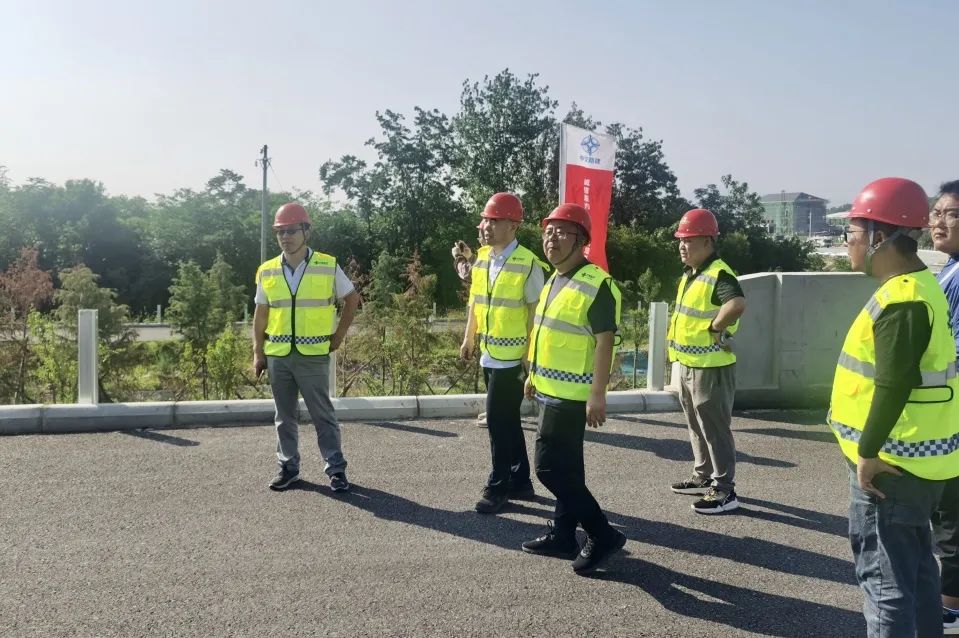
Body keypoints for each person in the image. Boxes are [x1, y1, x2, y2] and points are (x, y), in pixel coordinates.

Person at [829, 177, 959, 636]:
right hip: (916, 461)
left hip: (891, 464)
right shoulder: (920, 285)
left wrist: (867, 452)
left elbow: (892, 383)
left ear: (879, 237)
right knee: (917, 572)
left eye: (852, 232)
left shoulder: (904, 299)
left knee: (884, 583)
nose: (848, 242)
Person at [520, 203, 626, 576]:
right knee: (569, 469)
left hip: (572, 397)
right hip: (549, 388)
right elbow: (546, 332)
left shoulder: (597, 284)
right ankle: (564, 535)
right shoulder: (555, 279)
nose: (552, 239)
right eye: (548, 231)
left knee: (548, 469)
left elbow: (605, 341)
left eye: (562, 232)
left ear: (582, 240)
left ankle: (602, 533)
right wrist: (533, 374)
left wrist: (598, 394)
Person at [252, 202, 361, 493]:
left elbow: (352, 298)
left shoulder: (326, 265)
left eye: (291, 231)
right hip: (278, 356)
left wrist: (339, 336)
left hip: (313, 355)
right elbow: (260, 314)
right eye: (280, 232)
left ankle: (336, 469)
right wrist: (258, 352)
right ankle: (288, 468)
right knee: (284, 417)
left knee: (322, 415)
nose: (286, 237)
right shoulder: (267, 270)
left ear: (306, 231)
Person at [460, 193, 546, 513]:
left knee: (497, 422)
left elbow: (536, 316)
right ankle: (520, 480)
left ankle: (498, 487)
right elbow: (476, 302)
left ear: (513, 225)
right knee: (507, 420)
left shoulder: (528, 263)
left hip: (513, 360)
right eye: (485, 220)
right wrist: (468, 338)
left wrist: (531, 361)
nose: (486, 226)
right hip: (489, 353)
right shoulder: (483, 259)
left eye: (494, 221)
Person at [666, 208, 746, 514]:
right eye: (681, 240)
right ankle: (703, 475)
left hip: (711, 367)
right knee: (696, 425)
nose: (682, 246)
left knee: (715, 429)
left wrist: (715, 327)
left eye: (689, 240)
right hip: (689, 363)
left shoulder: (719, 273)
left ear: (708, 241)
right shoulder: (692, 274)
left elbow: (736, 303)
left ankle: (724, 489)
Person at [930, 179, 959, 635]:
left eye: (950, 213)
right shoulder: (949, 269)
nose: (938, 221)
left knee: (953, 514)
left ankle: (951, 607)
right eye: (936, 212)